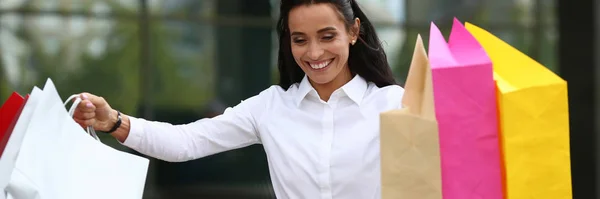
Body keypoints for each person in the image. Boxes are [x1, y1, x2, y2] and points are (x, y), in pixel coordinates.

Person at [73, 0, 404, 198]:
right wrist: (115, 122)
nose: (314, 52)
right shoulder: (272, 107)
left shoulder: (395, 104)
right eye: (300, 39)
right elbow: (186, 142)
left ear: (354, 31)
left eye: (327, 36)